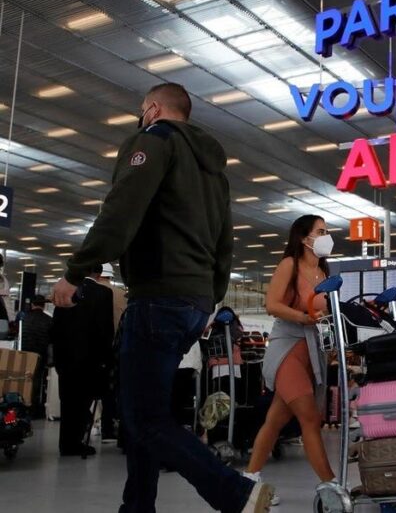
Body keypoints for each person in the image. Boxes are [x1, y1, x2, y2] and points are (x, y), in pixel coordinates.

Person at [52, 83, 273, 511]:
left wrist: (76, 272)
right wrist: (209, 300)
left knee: (144, 418)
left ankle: (236, 492)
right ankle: (137, 506)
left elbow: (120, 210)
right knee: (145, 413)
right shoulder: (213, 170)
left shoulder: (153, 141)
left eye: (141, 111)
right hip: (193, 302)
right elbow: (225, 242)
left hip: (157, 296)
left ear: (152, 109)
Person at [245, 215, 337, 506]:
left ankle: (249, 481)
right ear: (303, 238)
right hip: (287, 351)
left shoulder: (324, 271)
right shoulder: (289, 265)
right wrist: (303, 317)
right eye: (320, 231)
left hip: (313, 353)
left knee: (274, 421)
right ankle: (331, 486)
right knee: (310, 418)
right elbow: (271, 305)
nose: (326, 236)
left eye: (326, 231)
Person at [51, 265, 114, 456]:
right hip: (90, 358)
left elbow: (55, 326)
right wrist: (106, 357)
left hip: (65, 357)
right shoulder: (103, 293)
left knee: (67, 401)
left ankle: (66, 443)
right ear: (98, 273)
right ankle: (77, 441)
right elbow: (105, 329)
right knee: (84, 400)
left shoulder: (64, 290)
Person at [97, 263, 128, 442]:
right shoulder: (120, 294)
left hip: (96, 348)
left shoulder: (88, 291)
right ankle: (110, 428)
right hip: (117, 348)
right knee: (115, 390)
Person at [20, 294, 52, 415]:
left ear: (32, 304)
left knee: (23, 379)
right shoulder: (49, 320)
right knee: (37, 380)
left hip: (23, 353)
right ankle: (34, 407)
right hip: (40, 355)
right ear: (44, 306)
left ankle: (22, 404)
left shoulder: (24, 318)